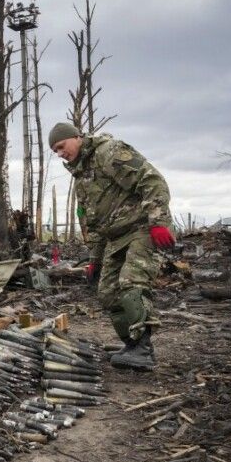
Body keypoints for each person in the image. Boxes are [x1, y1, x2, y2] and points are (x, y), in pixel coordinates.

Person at [49, 121, 174, 371]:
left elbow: (151, 180)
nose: (61, 153)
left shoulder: (109, 152)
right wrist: (94, 259)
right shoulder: (82, 176)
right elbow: (93, 223)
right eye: (56, 151)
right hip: (114, 239)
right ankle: (131, 344)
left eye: (62, 146)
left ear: (77, 137)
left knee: (131, 282)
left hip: (141, 229)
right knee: (107, 292)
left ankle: (143, 350)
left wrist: (159, 222)